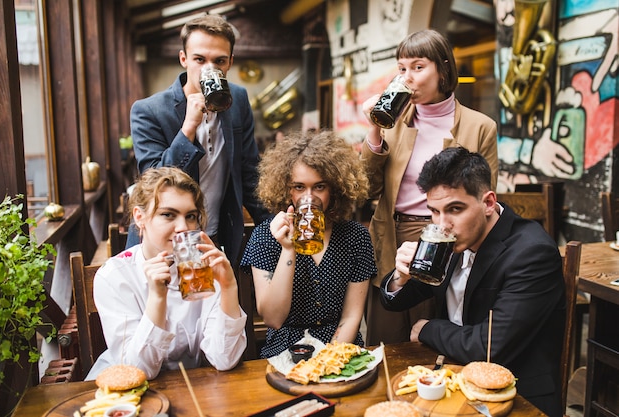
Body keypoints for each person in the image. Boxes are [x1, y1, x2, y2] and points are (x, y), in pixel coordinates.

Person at [381, 147, 564, 416]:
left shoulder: (532, 253)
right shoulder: (450, 239)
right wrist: (400, 277)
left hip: (515, 397)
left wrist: (428, 328)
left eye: (455, 209)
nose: (442, 224)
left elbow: (489, 347)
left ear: (488, 203)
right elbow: (395, 301)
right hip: (454, 382)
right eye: (434, 211)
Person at [360, 29, 498, 345]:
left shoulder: (480, 127)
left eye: (418, 67)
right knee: (387, 338)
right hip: (393, 237)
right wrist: (375, 129)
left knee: (432, 334)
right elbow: (367, 189)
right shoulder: (394, 124)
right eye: (402, 68)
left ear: (443, 69)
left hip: (449, 238)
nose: (408, 78)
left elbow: (487, 198)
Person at [129, 14, 268, 269]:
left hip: (214, 239)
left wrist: (275, 227)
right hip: (164, 244)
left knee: (215, 308)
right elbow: (154, 185)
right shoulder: (147, 111)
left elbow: (249, 174)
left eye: (219, 61)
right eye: (200, 59)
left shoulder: (237, 99)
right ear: (183, 59)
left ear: (230, 63)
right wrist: (188, 128)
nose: (209, 68)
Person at [86, 167, 247, 380]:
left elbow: (224, 359)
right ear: (140, 217)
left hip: (194, 387)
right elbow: (137, 372)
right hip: (129, 394)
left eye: (190, 216)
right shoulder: (115, 276)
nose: (183, 227)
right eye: (168, 215)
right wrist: (157, 297)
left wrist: (228, 287)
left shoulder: (203, 267)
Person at [240, 131, 377, 358]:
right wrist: (288, 248)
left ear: (335, 188)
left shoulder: (356, 237)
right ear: (286, 189)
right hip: (285, 349)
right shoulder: (266, 236)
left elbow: (351, 316)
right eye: (299, 187)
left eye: (319, 187)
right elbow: (273, 319)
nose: (309, 197)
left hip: (340, 346)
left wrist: (327, 361)